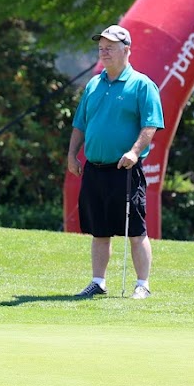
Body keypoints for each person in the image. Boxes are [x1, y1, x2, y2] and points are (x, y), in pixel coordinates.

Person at [66, 24, 164, 300]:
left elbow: (151, 124)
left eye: (110, 47)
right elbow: (80, 124)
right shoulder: (94, 84)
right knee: (99, 230)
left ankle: (142, 284)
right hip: (94, 169)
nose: (104, 52)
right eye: (101, 47)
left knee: (136, 231)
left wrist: (134, 151)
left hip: (125, 170)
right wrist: (72, 154)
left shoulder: (141, 84)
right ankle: (98, 282)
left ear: (126, 50)